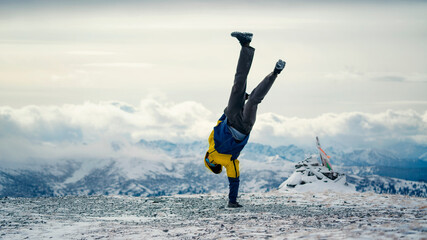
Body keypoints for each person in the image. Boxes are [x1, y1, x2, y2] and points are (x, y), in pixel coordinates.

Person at [204, 31, 286, 208]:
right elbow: (218, 124)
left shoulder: (226, 159)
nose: (211, 161)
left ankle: (250, 49)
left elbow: (234, 182)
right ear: (210, 163)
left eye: (210, 163)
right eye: (211, 163)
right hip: (235, 120)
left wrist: (232, 201)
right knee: (240, 85)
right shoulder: (223, 156)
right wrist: (227, 111)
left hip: (237, 124)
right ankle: (266, 65)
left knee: (253, 98)